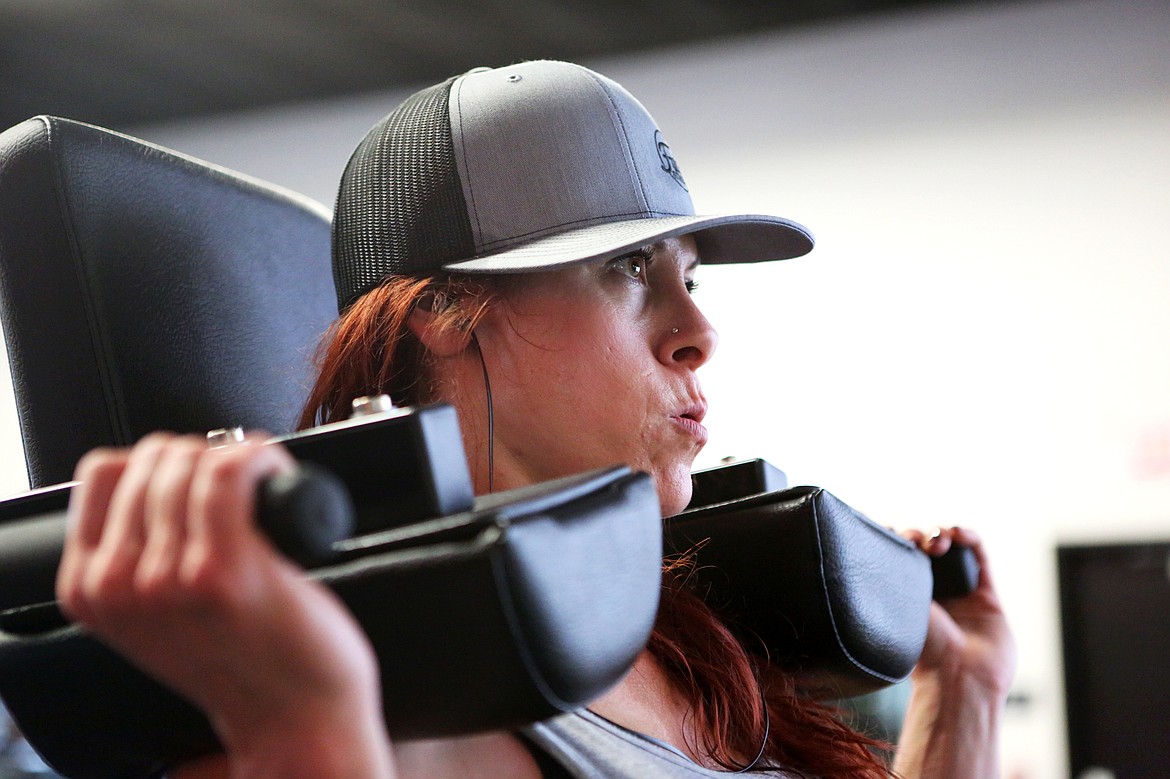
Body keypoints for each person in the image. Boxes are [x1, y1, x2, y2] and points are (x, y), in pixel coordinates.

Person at [55, 60, 1015, 778]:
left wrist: (963, 691)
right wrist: (303, 727)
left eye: (690, 276)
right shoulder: (355, 680)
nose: (697, 333)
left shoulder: (686, 643)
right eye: (628, 269)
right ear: (444, 310)